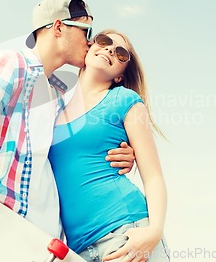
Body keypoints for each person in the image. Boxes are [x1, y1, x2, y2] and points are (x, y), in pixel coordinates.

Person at [0, 0, 135, 262]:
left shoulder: (59, 95)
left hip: (40, 245)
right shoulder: (11, 64)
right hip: (0, 232)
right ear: (59, 27)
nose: (89, 42)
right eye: (86, 32)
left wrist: (119, 153)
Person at [49, 30, 170, 262]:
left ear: (120, 76)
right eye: (104, 42)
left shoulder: (124, 101)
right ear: (89, 47)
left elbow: (153, 176)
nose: (110, 50)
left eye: (121, 53)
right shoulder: (53, 107)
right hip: (78, 250)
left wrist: (154, 231)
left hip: (126, 232)